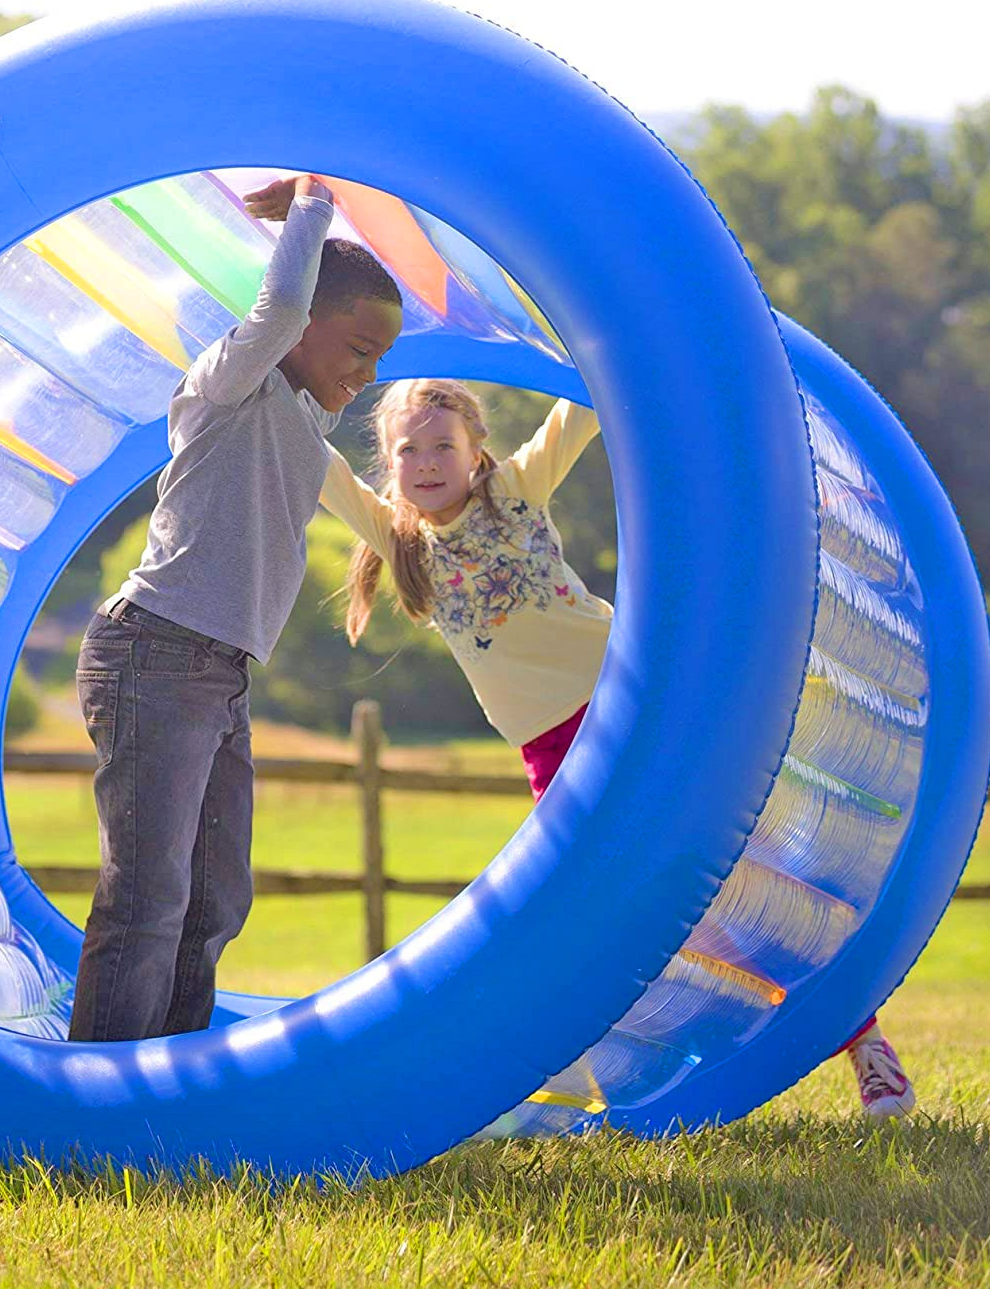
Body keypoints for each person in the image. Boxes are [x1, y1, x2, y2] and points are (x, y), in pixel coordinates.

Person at [318, 376, 915, 1117]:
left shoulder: (512, 492)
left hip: (634, 708)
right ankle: (570, 1065)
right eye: (410, 449)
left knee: (739, 881)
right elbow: (323, 471)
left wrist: (594, 345)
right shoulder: (399, 539)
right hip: (553, 753)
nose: (428, 460)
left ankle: (865, 1042)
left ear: (476, 456)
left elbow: (579, 409)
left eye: (445, 444)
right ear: (391, 464)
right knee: (593, 903)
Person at [67, 174, 403, 1042]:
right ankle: (100, 1099)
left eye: (378, 362)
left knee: (215, 899)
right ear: (302, 329)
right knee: (148, 897)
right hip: (152, 652)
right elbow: (282, 307)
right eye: (357, 349)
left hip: (218, 672)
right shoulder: (226, 386)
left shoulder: (303, 419)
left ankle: (171, 1077)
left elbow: (306, 324)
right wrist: (313, 208)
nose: (366, 377)